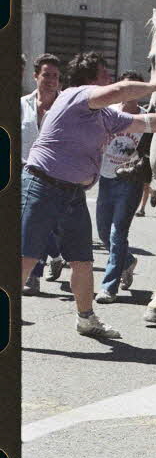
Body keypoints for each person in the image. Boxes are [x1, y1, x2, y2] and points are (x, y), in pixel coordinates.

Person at [22, 52, 156, 339]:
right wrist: (153, 85)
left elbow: (149, 122)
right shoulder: (76, 95)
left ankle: (86, 319)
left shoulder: (105, 115)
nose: (110, 78)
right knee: (25, 258)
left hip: (71, 192)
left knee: (82, 261)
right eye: (105, 74)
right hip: (43, 186)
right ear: (91, 79)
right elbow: (120, 90)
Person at [94, 72, 149, 303]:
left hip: (130, 182)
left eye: (135, 89)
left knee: (117, 234)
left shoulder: (146, 118)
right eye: (125, 88)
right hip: (106, 179)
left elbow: (152, 151)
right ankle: (127, 261)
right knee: (103, 233)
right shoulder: (109, 112)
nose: (129, 93)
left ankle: (109, 287)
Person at [21, 54, 64, 293]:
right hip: (23, 172)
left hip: (55, 175)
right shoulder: (21, 104)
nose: (51, 80)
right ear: (35, 76)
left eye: (55, 76)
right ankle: (39, 271)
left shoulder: (66, 107)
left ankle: (50, 261)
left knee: (44, 225)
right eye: (46, 75)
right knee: (31, 225)